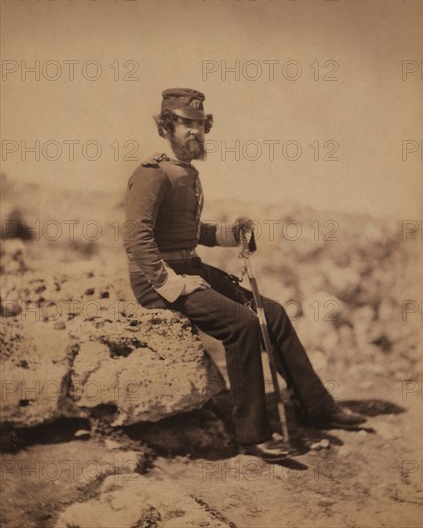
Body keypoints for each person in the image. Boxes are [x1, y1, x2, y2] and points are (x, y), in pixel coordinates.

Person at [123, 88, 366, 463]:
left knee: (274, 313)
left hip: (190, 267)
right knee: (242, 323)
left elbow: (188, 233)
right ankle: (252, 434)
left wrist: (230, 233)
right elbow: (136, 238)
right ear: (167, 127)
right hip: (157, 279)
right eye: (186, 124)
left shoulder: (187, 172)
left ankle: (317, 406)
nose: (195, 132)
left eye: (200, 125)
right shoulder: (151, 174)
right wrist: (171, 284)